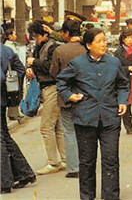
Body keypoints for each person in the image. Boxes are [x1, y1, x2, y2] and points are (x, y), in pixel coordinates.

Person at [56, 28, 130, 200]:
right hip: (85, 118)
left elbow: (123, 84)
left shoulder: (113, 63)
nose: (103, 44)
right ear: (89, 45)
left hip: (109, 118)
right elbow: (62, 82)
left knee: (110, 160)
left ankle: (111, 196)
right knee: (87, 161)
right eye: (99, 41)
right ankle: (87, 196)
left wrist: (122, 101)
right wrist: (69, 96)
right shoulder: (77, 64)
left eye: (104, 40)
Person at [26, 20, 66, 175]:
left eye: (37, 36)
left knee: (46, 126)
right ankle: (63, 159)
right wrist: (31, 68)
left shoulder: (52, 46)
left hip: (52, 88)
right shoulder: (40, 46)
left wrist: (34, 62)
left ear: (44, 33)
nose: (36, 39)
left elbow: (51, 67)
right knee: (58, 126)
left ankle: (53, 162)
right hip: (47, 87)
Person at [49, 19, 86, 179]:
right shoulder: (87, 49)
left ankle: (74, 167)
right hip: (86, 96)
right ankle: (86, 164)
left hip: (66, 96)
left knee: (69, 132)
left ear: (66, 33)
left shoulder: (60, 51)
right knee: (85, 132)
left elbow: (53, 72)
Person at [1, 43, 36, 194]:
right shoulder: (6, 50)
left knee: (1, 138)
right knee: (4, 136)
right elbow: (20, 70)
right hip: (3, 98)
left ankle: (4, 180)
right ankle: (24, 173)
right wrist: (11, 89)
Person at [114, 29, 132, 135]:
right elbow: (117, 67)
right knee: (127, 104)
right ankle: (128, 126)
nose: (131, 40)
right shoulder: (119, 52)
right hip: (125, 79)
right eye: (128, 37)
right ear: (123, 39)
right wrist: (128, 68)